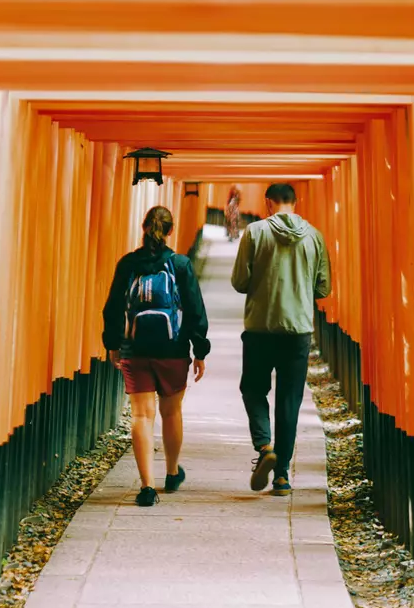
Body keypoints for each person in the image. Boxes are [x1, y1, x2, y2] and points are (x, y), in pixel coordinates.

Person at [102, 206, 211, 507]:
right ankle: (172, 472)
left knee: (141, 415)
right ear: (171, 230)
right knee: (171, 412)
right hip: (172, 349)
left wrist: (113, 344)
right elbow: (195, 310)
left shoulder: (128, 264)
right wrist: (200, 350)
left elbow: (113, 307)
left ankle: (147, 486)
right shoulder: (180, 264)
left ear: (143, 227)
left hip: (135, 349)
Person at [230, 183, 331, 496]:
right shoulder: (314, 236)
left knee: (253, 389)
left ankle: (264, 446)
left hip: (260, 327)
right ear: (295, 202)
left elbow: (240, 281)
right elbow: (323, 287)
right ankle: (282, 476)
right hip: (298, 330)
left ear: (268, 203)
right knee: (289, 400)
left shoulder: (255, 233)